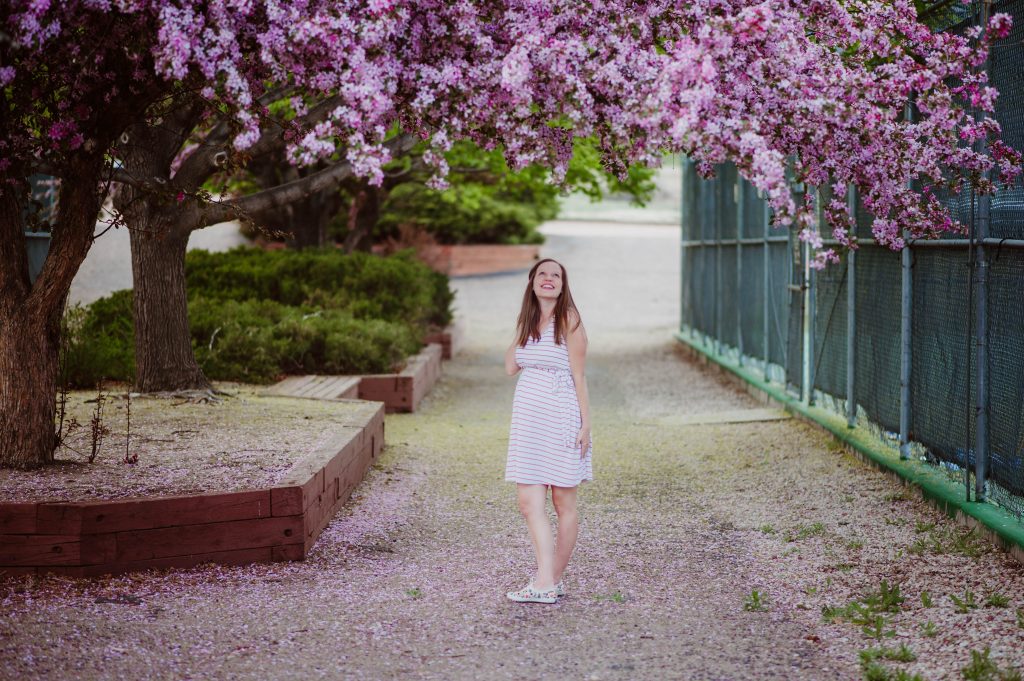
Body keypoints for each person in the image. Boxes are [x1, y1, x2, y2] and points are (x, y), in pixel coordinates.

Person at [504, 258, 593, 604]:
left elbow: (580, 376)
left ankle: (548, 580)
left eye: (556, 275)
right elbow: (511, 366)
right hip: (528, 422)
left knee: (562, 501)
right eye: (542, 273)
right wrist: (525, 323)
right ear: (532, 281)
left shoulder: (569, 319)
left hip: (561, 417)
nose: (549, 279)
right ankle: (546, 580)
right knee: (528, 502)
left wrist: (586, 423)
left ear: (562, 285)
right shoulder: (528, 322)